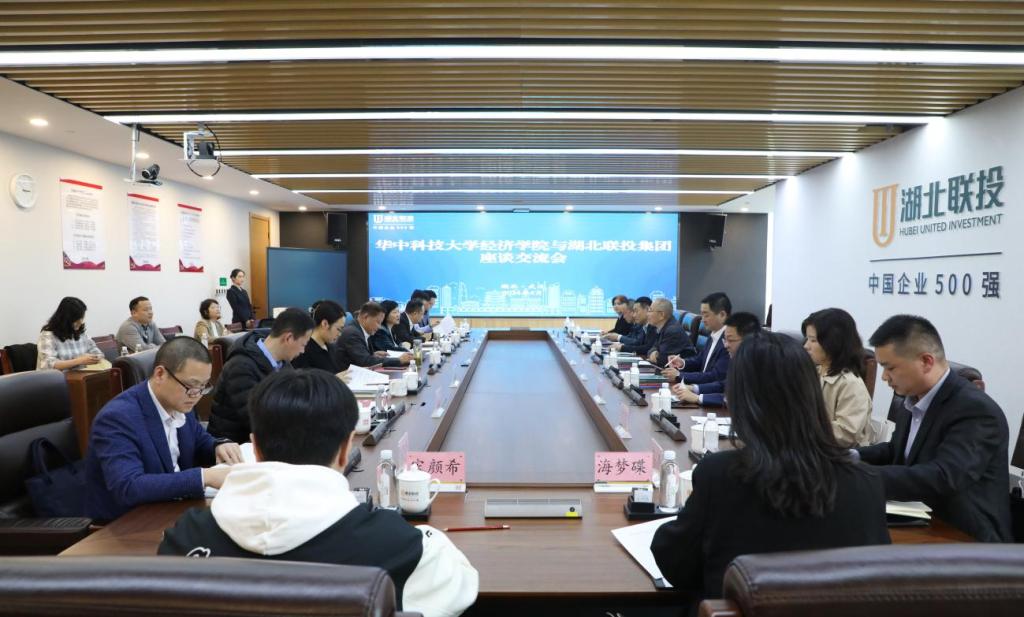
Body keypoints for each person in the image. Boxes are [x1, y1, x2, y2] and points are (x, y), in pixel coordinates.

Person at [158, 369, 479, 617]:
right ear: (346, 449)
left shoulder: (182, 541)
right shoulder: (405, 549)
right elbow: (460, 585)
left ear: (254, 447)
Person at [651, 333, 890, 607]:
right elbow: (876, 581)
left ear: (741, 399)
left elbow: (676, 565)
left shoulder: (720, 474)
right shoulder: (867, 481)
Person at [855, 315, 1011, 542]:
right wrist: (850, 457)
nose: (884, 377)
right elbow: (897, 451)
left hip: (964, 536)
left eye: (890, 368)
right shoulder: (914, 397)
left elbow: (944, 477)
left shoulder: (975, 410)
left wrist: (859, 477)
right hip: (920, 519)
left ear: (926, 361)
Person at [85, 337, 243, 522]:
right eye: (191, 385)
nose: (196, 395)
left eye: (203, 386)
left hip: (175, 507)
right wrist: (203, 477)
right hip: (130, 523)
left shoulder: (181, 402)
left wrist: (218, 446)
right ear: (160, 374)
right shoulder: (117, 418)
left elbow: (199, 440)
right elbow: (128, 487)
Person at [207, 308, 314, 444]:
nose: (303, 351)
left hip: (265, 438)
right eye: (303, 344)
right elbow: (258, 420)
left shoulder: (282, 362)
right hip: (234, 446)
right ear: (288, 338)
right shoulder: (241, 366)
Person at [801, 308, 873, 448]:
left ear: (833, 342)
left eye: (813, 340)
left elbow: (846, 435)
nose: (806, 346)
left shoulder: (850, 384)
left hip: (840, 455)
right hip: (814, 448)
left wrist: (803, 427)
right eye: (807, 339)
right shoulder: (814, 373)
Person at [671, 311, 761, 407]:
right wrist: (694, 388)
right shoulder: (737, 357)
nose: (726, 345)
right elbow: (724, 385)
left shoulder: (760, 364)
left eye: (731, 340)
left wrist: (698, 398)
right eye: (725, 340)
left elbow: (738, 398)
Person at [663, 292, 731, 387]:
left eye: (706, 315)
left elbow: (715, 376)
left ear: (722, 315)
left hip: (709, 391)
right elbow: (700, 360)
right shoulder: (713, 334)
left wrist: (679, 375)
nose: (702, 320)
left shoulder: (729, 342)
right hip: (699, 387)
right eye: (701, 314)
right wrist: (682, 362)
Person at [37, 296, 104, 371]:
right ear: (65, 318)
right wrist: (79, 360)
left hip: (79, 376)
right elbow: (48, 364)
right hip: (56, 377)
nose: (81, 322)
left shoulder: (81, 333)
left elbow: (99, 354)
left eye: (82, 318)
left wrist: (94, 357)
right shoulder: (48, 335)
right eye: (77, 319)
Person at [338, 301, 412, 368]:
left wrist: (373, 354)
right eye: (378, 322)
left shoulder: (363, 330)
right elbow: (366, 362)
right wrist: (398, 360)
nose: (379, 327)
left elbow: (361, 357)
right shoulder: (353, 333)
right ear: (366, 317)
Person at [292, 300, 347, 373]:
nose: (340, 334)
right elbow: (305, 379)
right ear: (325, 324)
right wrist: (334, 378)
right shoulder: (303, 351)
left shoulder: (330, 346)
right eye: (339, 329)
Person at [645, 298, 695, 367]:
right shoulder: (662, 327)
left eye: (650, 311)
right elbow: (652, 348)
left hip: (682, 371)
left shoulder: (672, 331)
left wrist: (655, 355)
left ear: (661, 315)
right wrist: (653, 352)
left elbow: (663, 360)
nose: (647, 314)